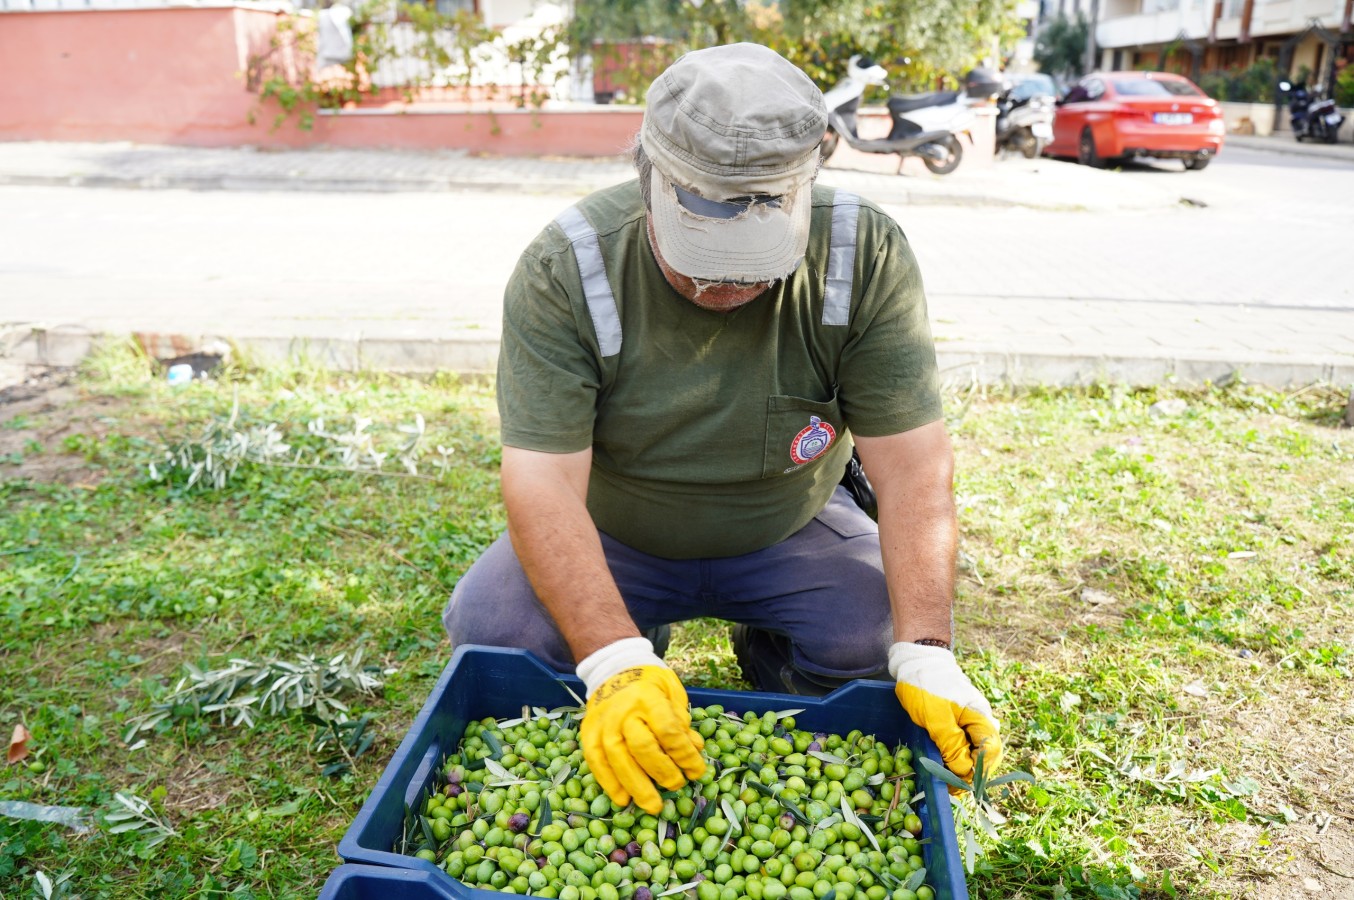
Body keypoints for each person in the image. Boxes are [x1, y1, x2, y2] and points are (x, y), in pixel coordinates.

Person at [442, 42, 1001, 815]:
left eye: (752, 268)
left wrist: (929, 652)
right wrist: (612, 657)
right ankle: (635, 645)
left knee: (878, 639)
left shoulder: (861, 254)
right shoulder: (567, 267)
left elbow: (912, 470)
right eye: (699, 264)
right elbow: (541, 480)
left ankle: (772, 652)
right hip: (617, 535)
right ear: (648, 185)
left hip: (788, 526)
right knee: (495, 630)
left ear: (807, 189)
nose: (724, 289)